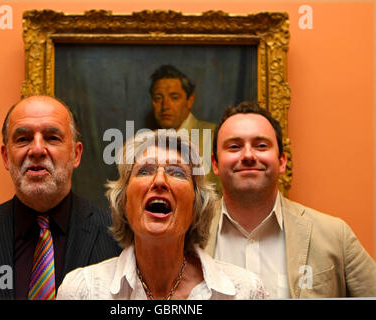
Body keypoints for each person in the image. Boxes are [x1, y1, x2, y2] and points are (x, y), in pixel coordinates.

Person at [0, 95, 121, 299]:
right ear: (6, 156)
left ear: (76, 155)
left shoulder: (119, 238)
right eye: (23, 139)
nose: (36, 150)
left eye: (52, 138)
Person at [57, 130, 268, 300]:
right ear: (124, 201)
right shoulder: (82, 291)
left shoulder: (245, 292)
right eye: (144, 171)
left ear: (197, 204)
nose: (159, 181)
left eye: (177, 173)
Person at [206, 101, 376, 298]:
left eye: (261, 146)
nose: (248, 155)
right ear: (215, 164)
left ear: (281, 162)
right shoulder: (187, 237)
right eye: (234, 147)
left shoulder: (335, 236)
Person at [149, 64, 221, 194]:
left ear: (190, 100)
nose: (165, 105)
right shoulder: (146, 144)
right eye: (158, 98)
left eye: (174, 97)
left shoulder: (214, 136)